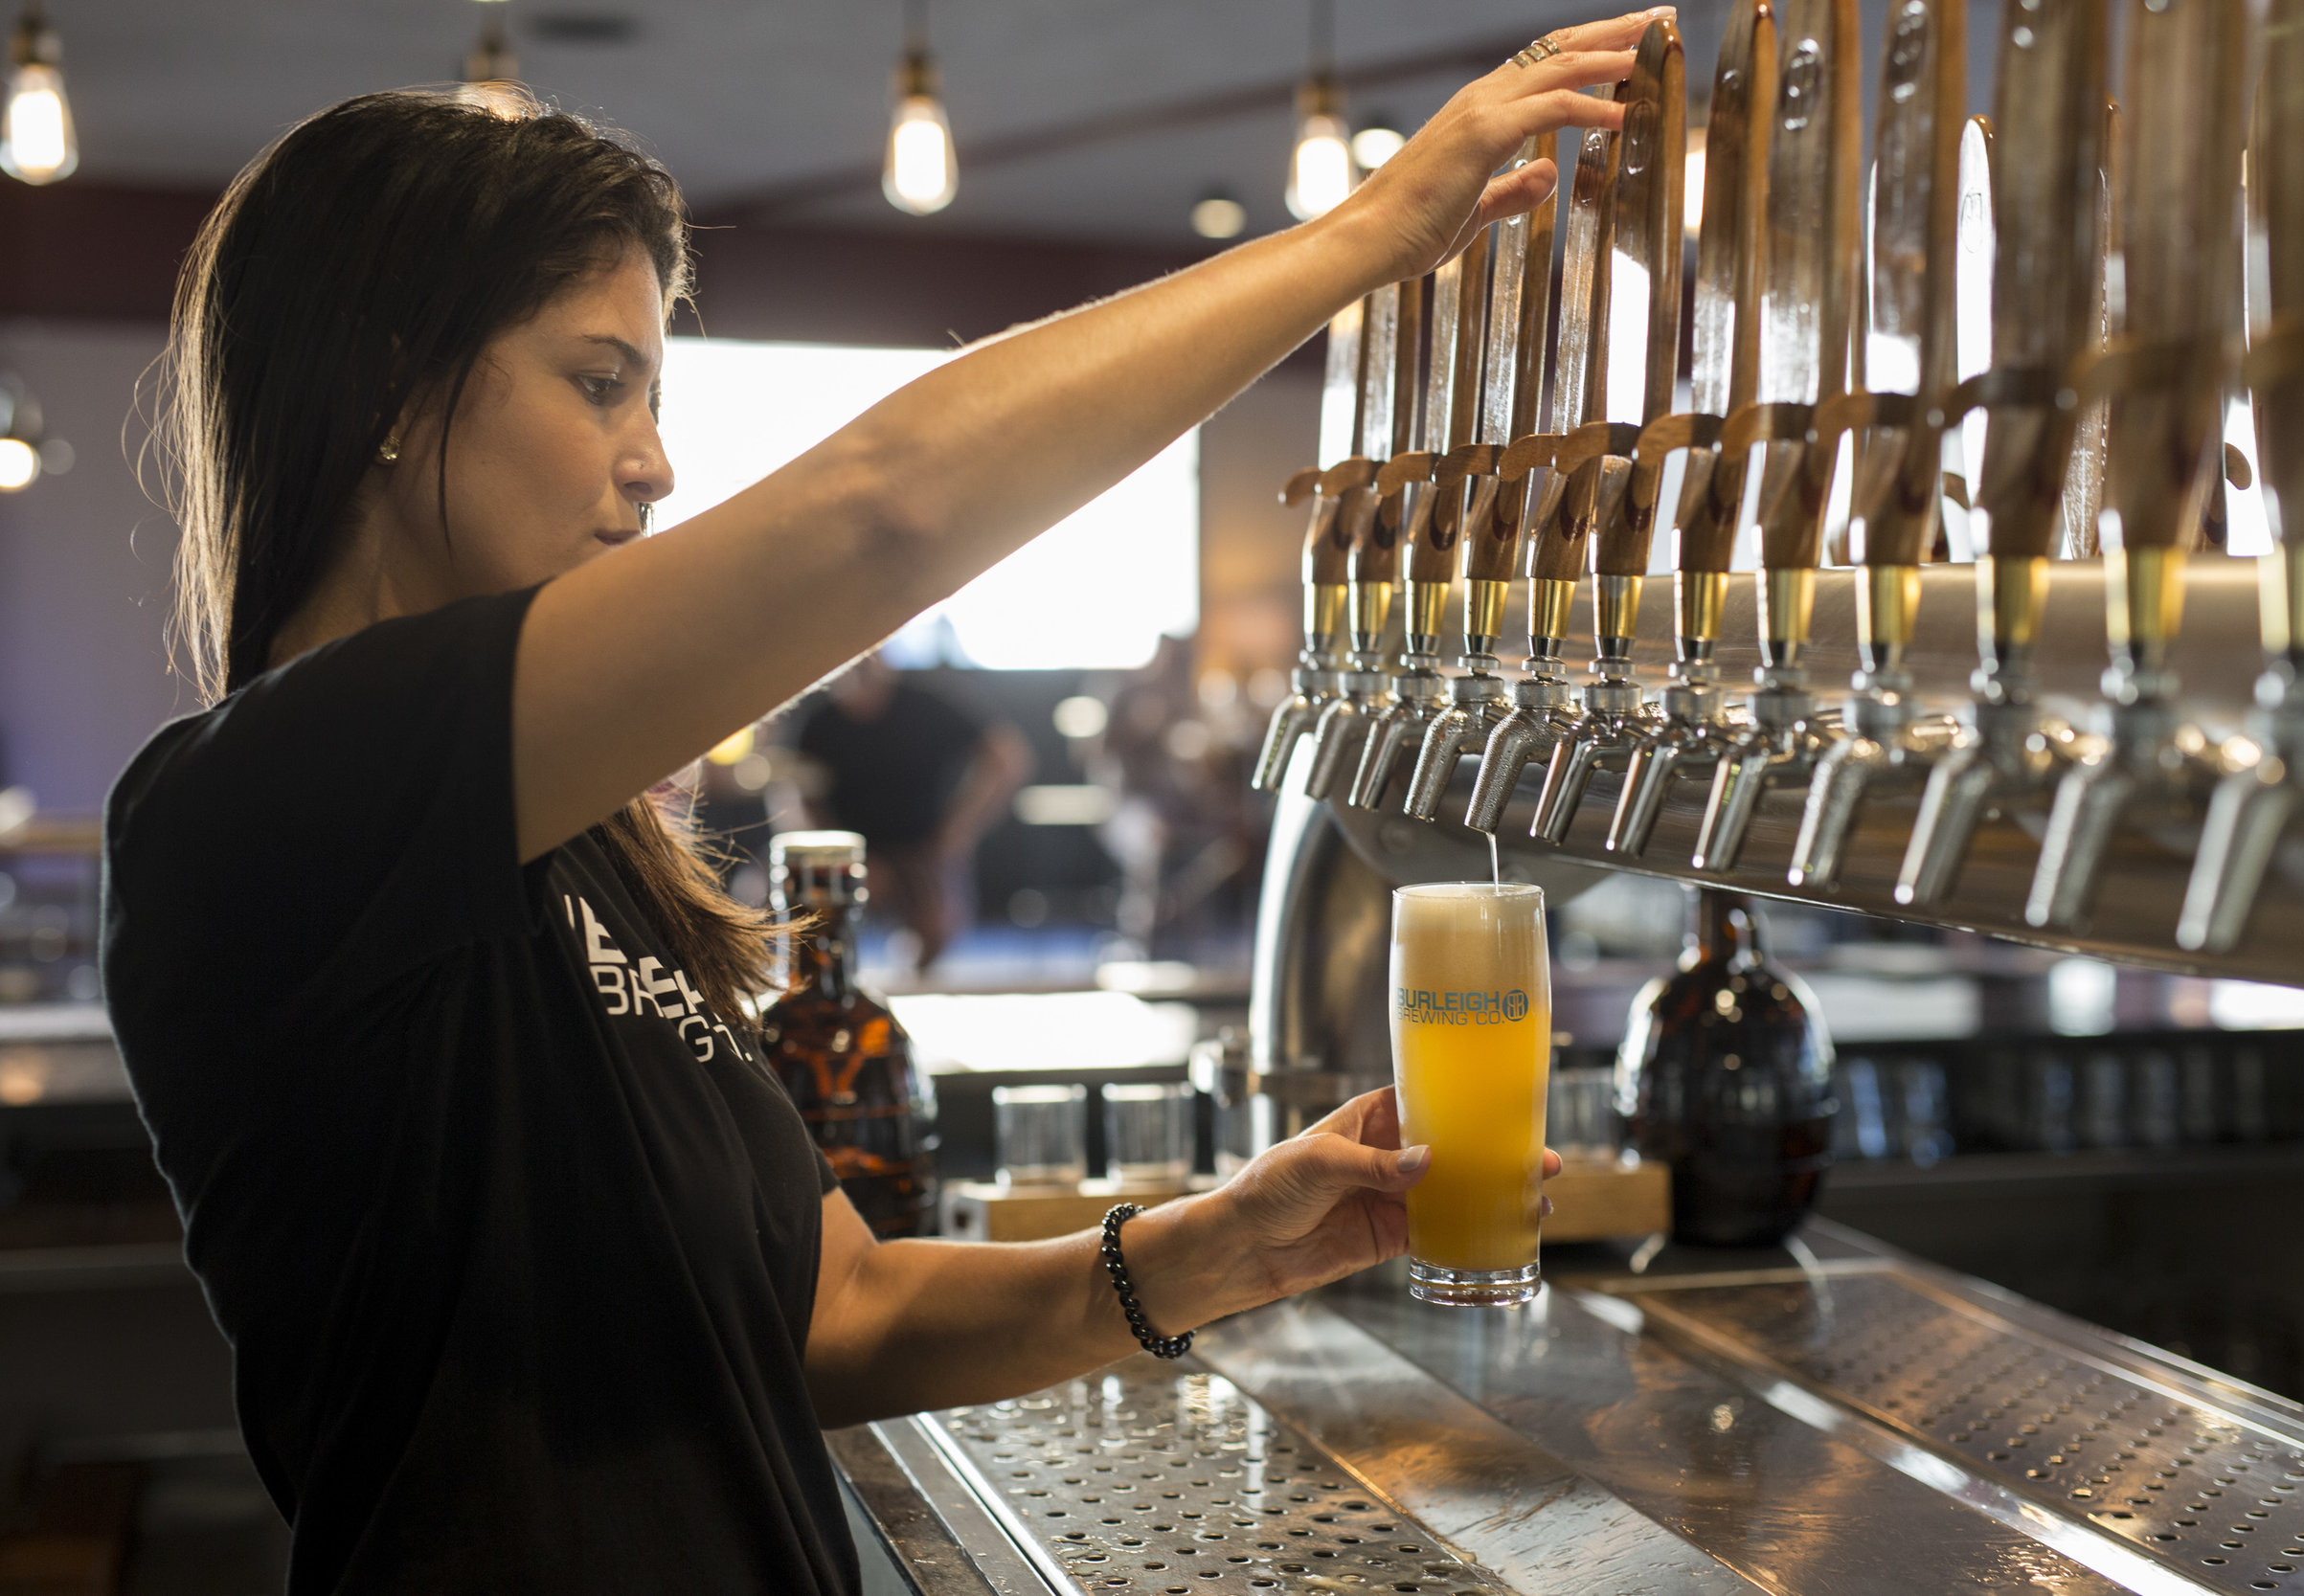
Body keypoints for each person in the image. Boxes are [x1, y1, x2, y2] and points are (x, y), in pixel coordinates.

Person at [99, 17, 1656, 1594]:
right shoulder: (257, 808)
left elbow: (839, 1311)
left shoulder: (581, 856)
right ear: (387, 380)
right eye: (597, 381)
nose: (653, 467)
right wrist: (1367, 240)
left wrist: (1228, 1240)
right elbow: (882, 512)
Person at [787, 650, 1031, 970]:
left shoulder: (929, 704)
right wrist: (839, 856)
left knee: (938, 924)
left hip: (922, 851)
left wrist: (959, 831)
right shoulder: (818, 720)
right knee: (772, 901)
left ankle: (913, 981)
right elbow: (797, 794)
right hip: (846, 854)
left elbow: (1008, 758)